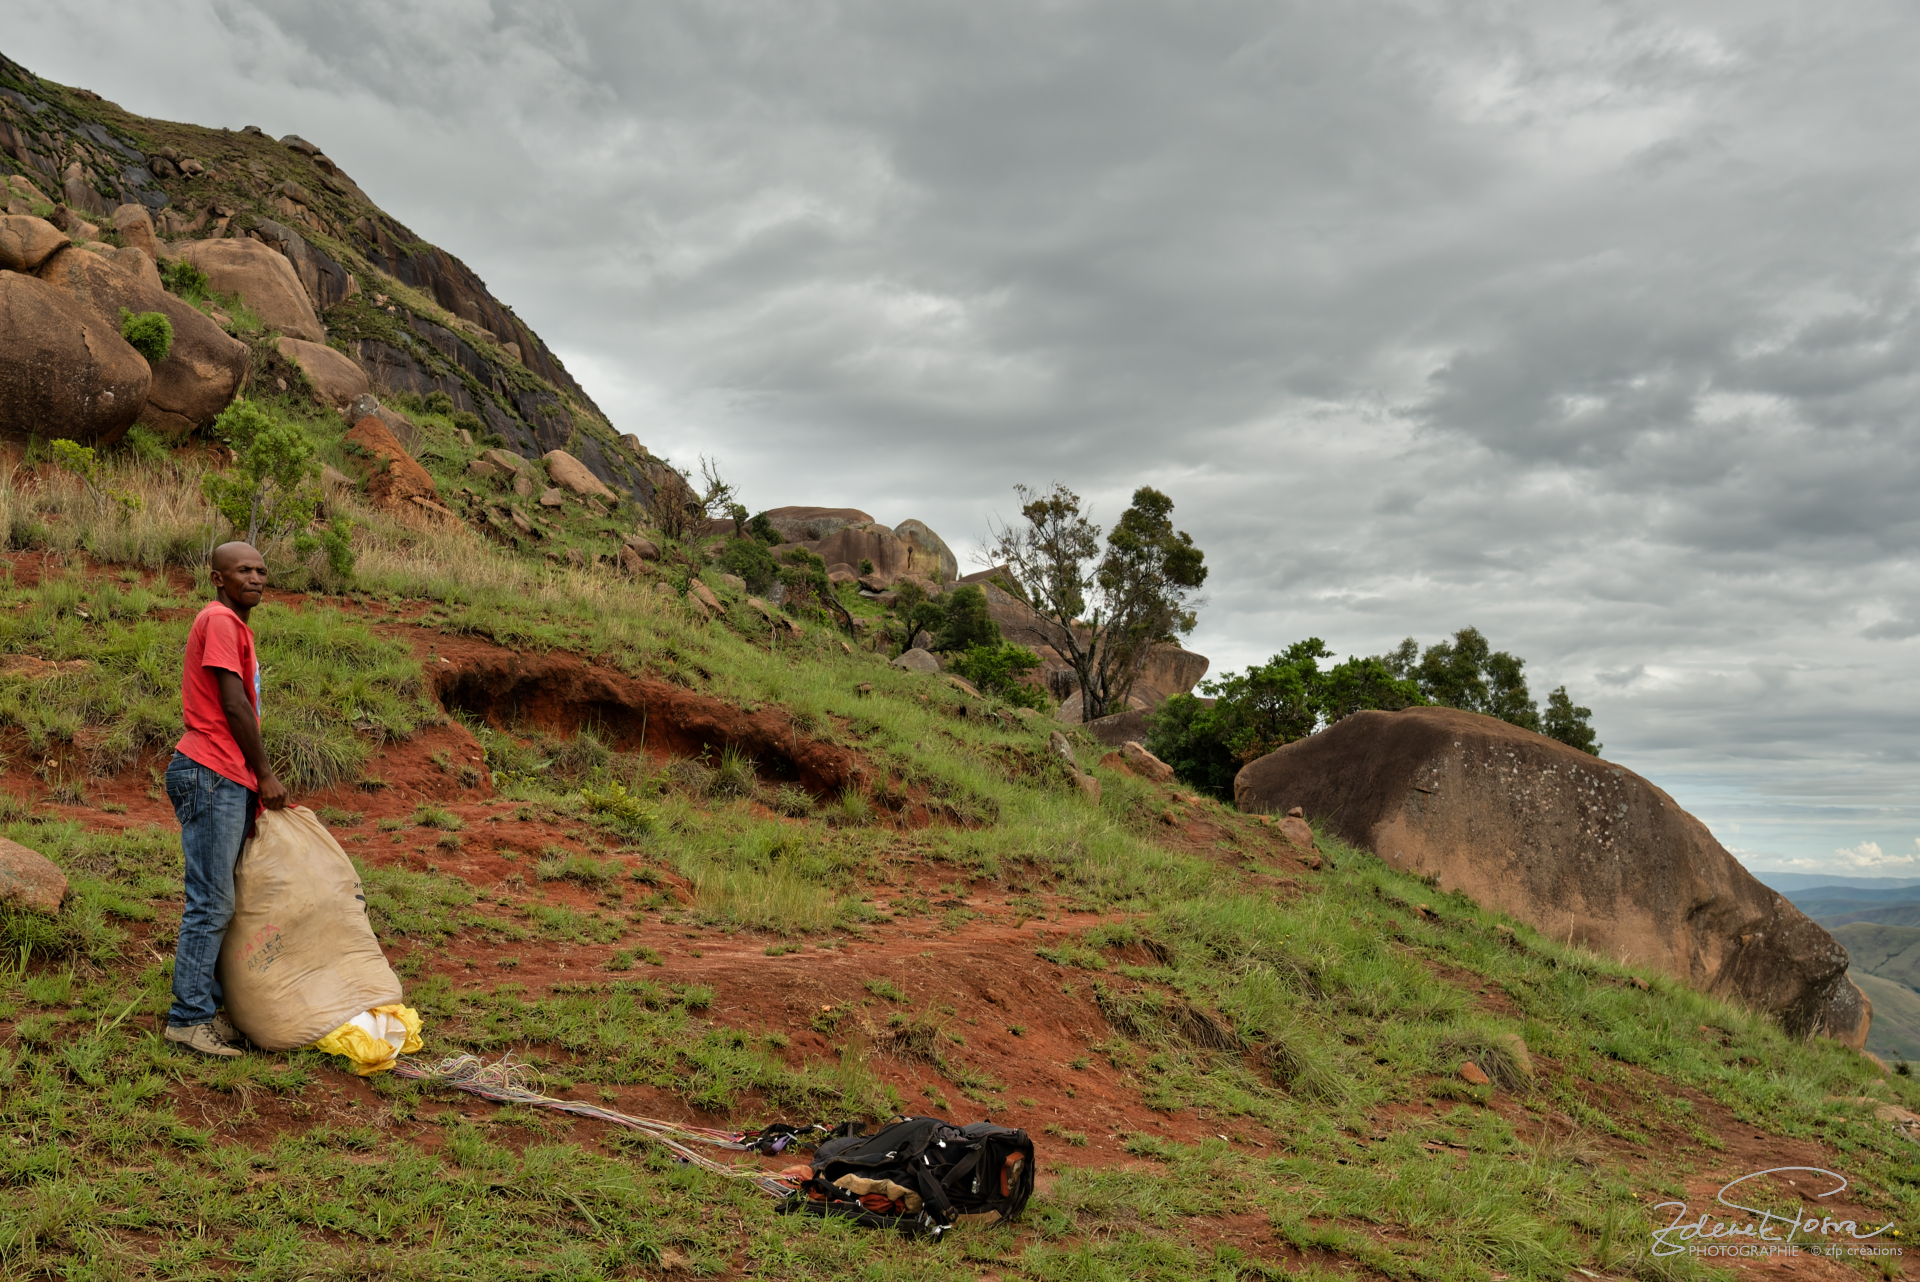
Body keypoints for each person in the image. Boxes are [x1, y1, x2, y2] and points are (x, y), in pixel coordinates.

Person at [163, 542, 288, 1058]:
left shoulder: (236, 625)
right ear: (218, 577)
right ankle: (188, 1020)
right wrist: (264, 774)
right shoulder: (219, 620)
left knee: (222, 899)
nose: (255, 577)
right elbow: (233, 704)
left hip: (223, 774)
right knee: (211, 902)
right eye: (243, 570)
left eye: (261, 570)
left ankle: (209, 1011)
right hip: (211, 770)